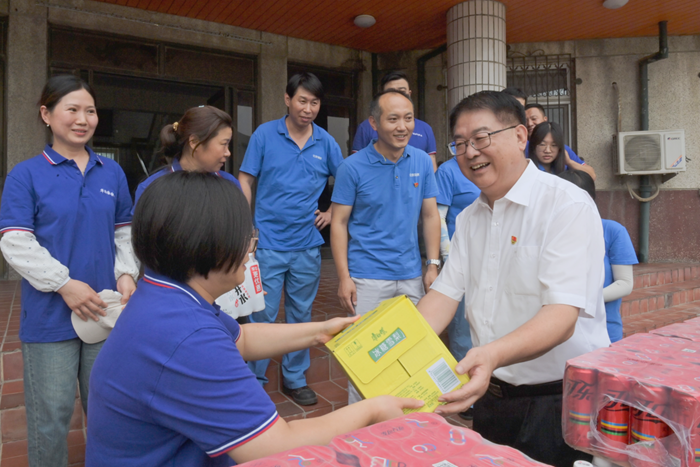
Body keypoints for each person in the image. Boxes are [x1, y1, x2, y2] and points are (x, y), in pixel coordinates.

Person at [85, 171, 423, 467]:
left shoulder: (166, 293)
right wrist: (373, 411)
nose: (251, 249)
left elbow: (241, 339)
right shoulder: (186, 337)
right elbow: (278, 446)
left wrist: (321, 331)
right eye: (246, 238)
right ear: (208, 244)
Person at [416, 91, 610, 466]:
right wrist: (387, 348)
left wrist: (489, 356)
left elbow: (561, 317)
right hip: (492, 396)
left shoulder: (565, 205)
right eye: (459, 143)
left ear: (521, 136)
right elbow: (443, 294)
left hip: (559, 401)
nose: (470, 152)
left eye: (481, 138)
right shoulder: (470, 217)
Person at [0, 75, 138, 467]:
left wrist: (126, 273)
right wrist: (64, 285)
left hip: (105, 312)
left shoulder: (110, 173)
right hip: (50, 318)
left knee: (108, 413)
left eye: (90, 111)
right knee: (51, 419)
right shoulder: (25, 175)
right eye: (72, 109)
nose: (83, 119)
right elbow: (15, 242)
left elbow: (123, 231)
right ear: (46, 114)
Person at [238, 72, 344, 406]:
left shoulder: (325, 142)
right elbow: (245, 179)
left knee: (301, 315)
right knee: (262, 316)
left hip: (306, 246)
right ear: (287, 100)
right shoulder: (265, 134)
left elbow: (346, 182)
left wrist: (330, 213)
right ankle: (253, 380)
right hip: (267, 243)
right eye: (302, 100)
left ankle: (294, 377)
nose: (308, 108)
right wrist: (246, 228)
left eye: (314, 102)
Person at [331, 89, 441, 402]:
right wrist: (344, 277)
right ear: (374, 123)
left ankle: (406, 421)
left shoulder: (420, 160)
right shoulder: (352, 168)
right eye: (393, 119)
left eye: (408, 118)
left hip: (409, 275)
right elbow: (338, 224)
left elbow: (431, 215)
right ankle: (363, 431)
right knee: (365, 361)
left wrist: (432, 264)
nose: (402, 126)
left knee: (412, 353)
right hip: (366, 277)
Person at [558, 170, 638, 343]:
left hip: (604, 332)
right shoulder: (553, 232)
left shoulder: (612, 230)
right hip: (559, 334)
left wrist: (578, 301)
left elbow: (624, 284)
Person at [435, 151, 480, 420]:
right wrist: (446, 256)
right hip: (459, 261)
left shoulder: (488, 167)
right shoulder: (448, 171)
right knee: (462, 330)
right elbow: (438, 217)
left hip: (490, 258)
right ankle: (465, 393)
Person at [132, 105, 241, 210]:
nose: (228, 153)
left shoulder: (230, 184)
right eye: (223, 144)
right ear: (194, 141)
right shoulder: (152, 187)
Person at [351, 71, 438, 171]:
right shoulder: (366, 127)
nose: (401, 128)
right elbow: (355, 166)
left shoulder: (425, 128)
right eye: (391, 92)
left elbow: (432, 168)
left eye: (402, 91)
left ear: (409, 94)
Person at [524, 103, 596, 181]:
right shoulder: (522, 150)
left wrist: (569, 162)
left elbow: (591, 175)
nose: (529, 123)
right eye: (542, 144)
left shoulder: (565, 150)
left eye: (534, 119)